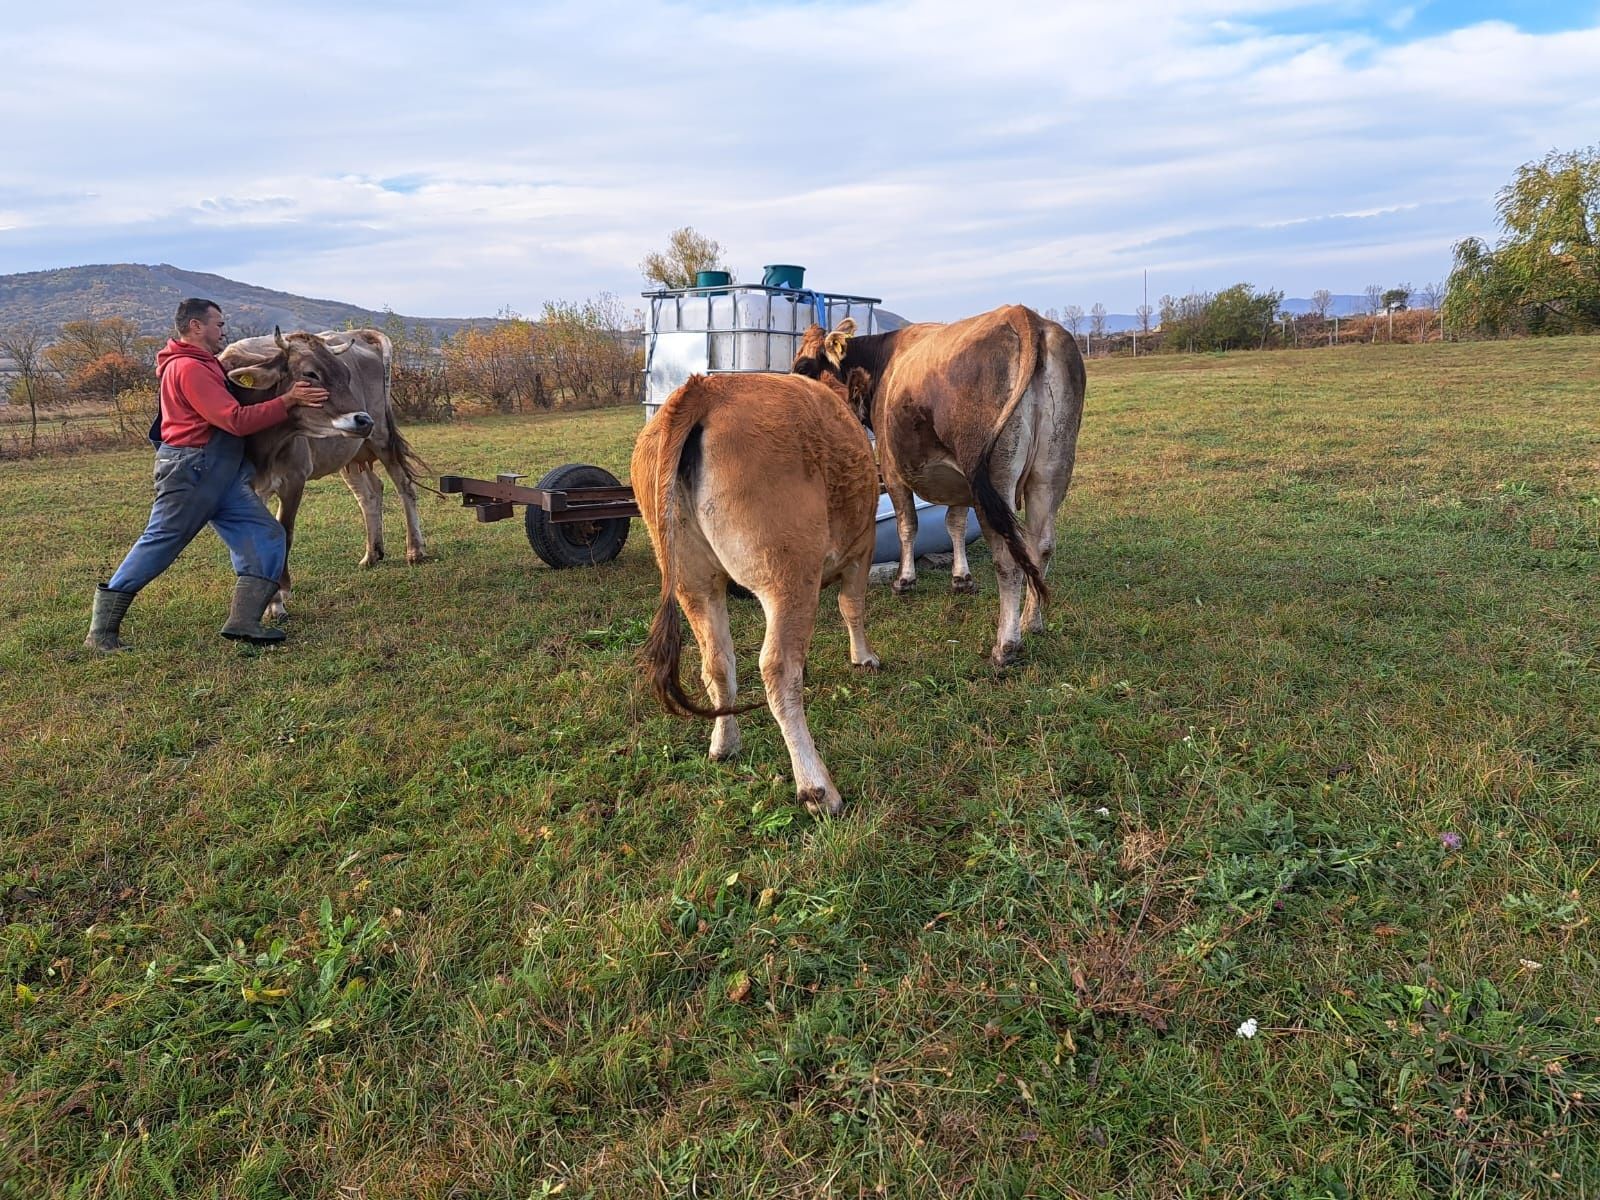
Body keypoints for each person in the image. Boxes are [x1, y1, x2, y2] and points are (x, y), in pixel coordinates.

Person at [85, 298, 327, 652]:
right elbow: (233, 420)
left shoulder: (207, 364)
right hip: (192, 470)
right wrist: (288, 401)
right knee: (161, 543)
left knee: (267, 534)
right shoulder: (188, 368)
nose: (223, 331)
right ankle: (102, 632)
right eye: (218, 324)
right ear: (196, 326)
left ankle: (244, 620)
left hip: (223, 472)